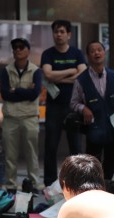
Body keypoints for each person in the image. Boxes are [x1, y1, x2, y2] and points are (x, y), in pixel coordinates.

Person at [70, 41, 114, 180]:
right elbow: (73, 103)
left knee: (111, 164)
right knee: (92, 165)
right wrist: (83, 108)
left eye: (99, 50)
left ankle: (106, 189)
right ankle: (93, 190)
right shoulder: (81, 79)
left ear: (104, 52)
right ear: (88, 56)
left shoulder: (113, 75)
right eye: (92, 51)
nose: (96, 53)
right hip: (94, 129)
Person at [40, 19, 87, 187]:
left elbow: (82, 75)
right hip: (54, 106)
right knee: (50, 146)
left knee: (75, 146)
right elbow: (48, 75)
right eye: (56, 32)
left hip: (73, 106)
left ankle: (77, 181)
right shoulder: (48, 54)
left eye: (62, 32)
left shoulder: (77, 53)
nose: (58, 35)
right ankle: (49, 182)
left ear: (69, 34)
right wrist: (70, 72)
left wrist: (59, 76)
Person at [0, 37, 41, 193]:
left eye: (21, 47)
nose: (17, 50)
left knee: (32, 154)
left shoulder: (36, 70)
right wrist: (25, 91)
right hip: (11, 118)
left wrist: (15, 90)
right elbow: (5, 94)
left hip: (30, 117)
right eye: (15, 48)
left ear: (28, 50)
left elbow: (35, 94)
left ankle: (34, 184)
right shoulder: (6, 70)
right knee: (10, 155)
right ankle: (10, 185)